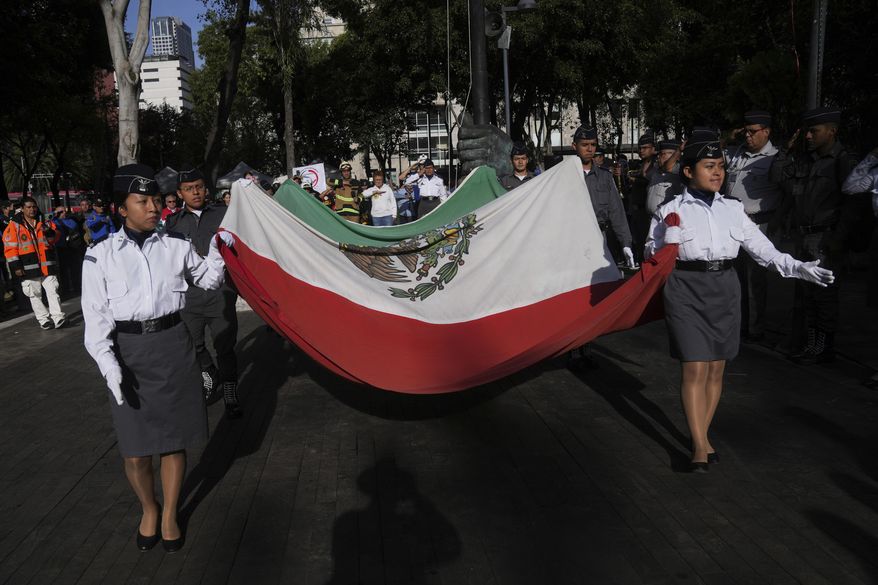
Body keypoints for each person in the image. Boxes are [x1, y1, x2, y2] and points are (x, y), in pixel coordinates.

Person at [645, 135, 834, 472]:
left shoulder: (733, 209)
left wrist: (798, 268)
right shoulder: (669, 210)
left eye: (720, 166)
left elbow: (763, 250)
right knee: (694, 366)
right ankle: (700, 445)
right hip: (686, 288)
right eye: (709, 167)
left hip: (725, 288)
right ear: (688, 171)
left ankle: (701, 434)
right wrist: (663, 244)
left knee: (716, 367)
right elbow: (651, 255)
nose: (717, 173)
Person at [82, 163, 232, 553]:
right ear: (122, 207)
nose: (153, 207)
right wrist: (108, 363)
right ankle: (149, 507)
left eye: (154, 200)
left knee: (173, 439)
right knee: (135, 449)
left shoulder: (176, 247)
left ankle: (169, 515)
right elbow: (95, 320)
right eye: (142, 200)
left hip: (173, 346)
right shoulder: (99, 257)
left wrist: (217, 251)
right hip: (128, 355)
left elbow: (210, 279)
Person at [773, 107, 857, 364]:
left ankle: (824, 348)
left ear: (832, 131)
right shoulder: (806, 160)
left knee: (824, 297)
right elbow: (778, 178)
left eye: (814, 131)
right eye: (807, 131)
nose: (809, 136)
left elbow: (853, 205)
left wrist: (838, 238)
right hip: (804, 236)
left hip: (826, 237)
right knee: (808, 296)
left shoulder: (843, 160)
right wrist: (787, 149)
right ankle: (813, 345)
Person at [166, 165, 243, 419]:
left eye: (199, 187)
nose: (195, 192)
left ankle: (231, 390)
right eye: (188, 189)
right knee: (192, 344)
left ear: (206, 189)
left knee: (225, 345)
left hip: (220, 293)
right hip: (189, 296)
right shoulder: (173, 223)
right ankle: (209, 372)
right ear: (180, 193)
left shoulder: (224, 214)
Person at [725, 110, 784, 342]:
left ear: (766, 132)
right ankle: (740, 325)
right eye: (745, 131)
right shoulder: (736, 154)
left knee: (755, 281)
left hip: (759, 225)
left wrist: (779, 222)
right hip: (733, 226)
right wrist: (731, 137)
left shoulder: (775, 158)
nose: (747, 136)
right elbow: (710, 151)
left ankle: (756, 328)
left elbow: (785, 194)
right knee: (735, 279)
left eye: (752, 132)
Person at [572, 125, 635, 269]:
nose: (590, 149)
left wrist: (626, 243)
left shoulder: (605, 177)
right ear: (574, 146)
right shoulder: (565, 176)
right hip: (575, 239)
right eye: (584, 145)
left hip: (602, 239)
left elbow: (616, 212)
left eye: (593, 145)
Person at [3, 197, 66, 329]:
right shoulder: (14, 225)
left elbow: (55, 238)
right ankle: (43, 319)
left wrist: (50, 232)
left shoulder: (44, 221)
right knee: (34, 293)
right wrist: (16, 267)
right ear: (23, 209)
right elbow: (10, 248)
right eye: (29, 207)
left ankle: (58, 317)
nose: (32, 209)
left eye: (34, 207)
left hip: (46, 263)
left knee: (52, 289)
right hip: (28, 265)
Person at [630, 133, 658, 262]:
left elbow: (651, 181)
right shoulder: (639, 165)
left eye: (645, 148)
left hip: (649, 213)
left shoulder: (657, 165)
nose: (641, 151)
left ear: (653, 149)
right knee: (639, 243)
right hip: (636, 210)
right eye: (640, 148)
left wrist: (636, 179)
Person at [53, 205, 86, 294]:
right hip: (61, 248)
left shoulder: (70, 221)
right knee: (63, 269)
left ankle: (77, 286)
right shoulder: (54, 222)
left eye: (64, 211)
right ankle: (65, 288)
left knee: (75, 268)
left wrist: (60, 219)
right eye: (61, 212)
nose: (64, 213)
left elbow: (73, 226)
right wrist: (56, 218)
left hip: (72, 247)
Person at [646, 139, 685, 215]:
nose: (661, 156)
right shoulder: (656, 170)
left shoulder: (678, 169)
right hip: (652, 218)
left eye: (665, 154)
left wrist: (679, 150)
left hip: (667, 220)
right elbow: (644, 173)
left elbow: (668, 167)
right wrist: (651, 156)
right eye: (660, 154)